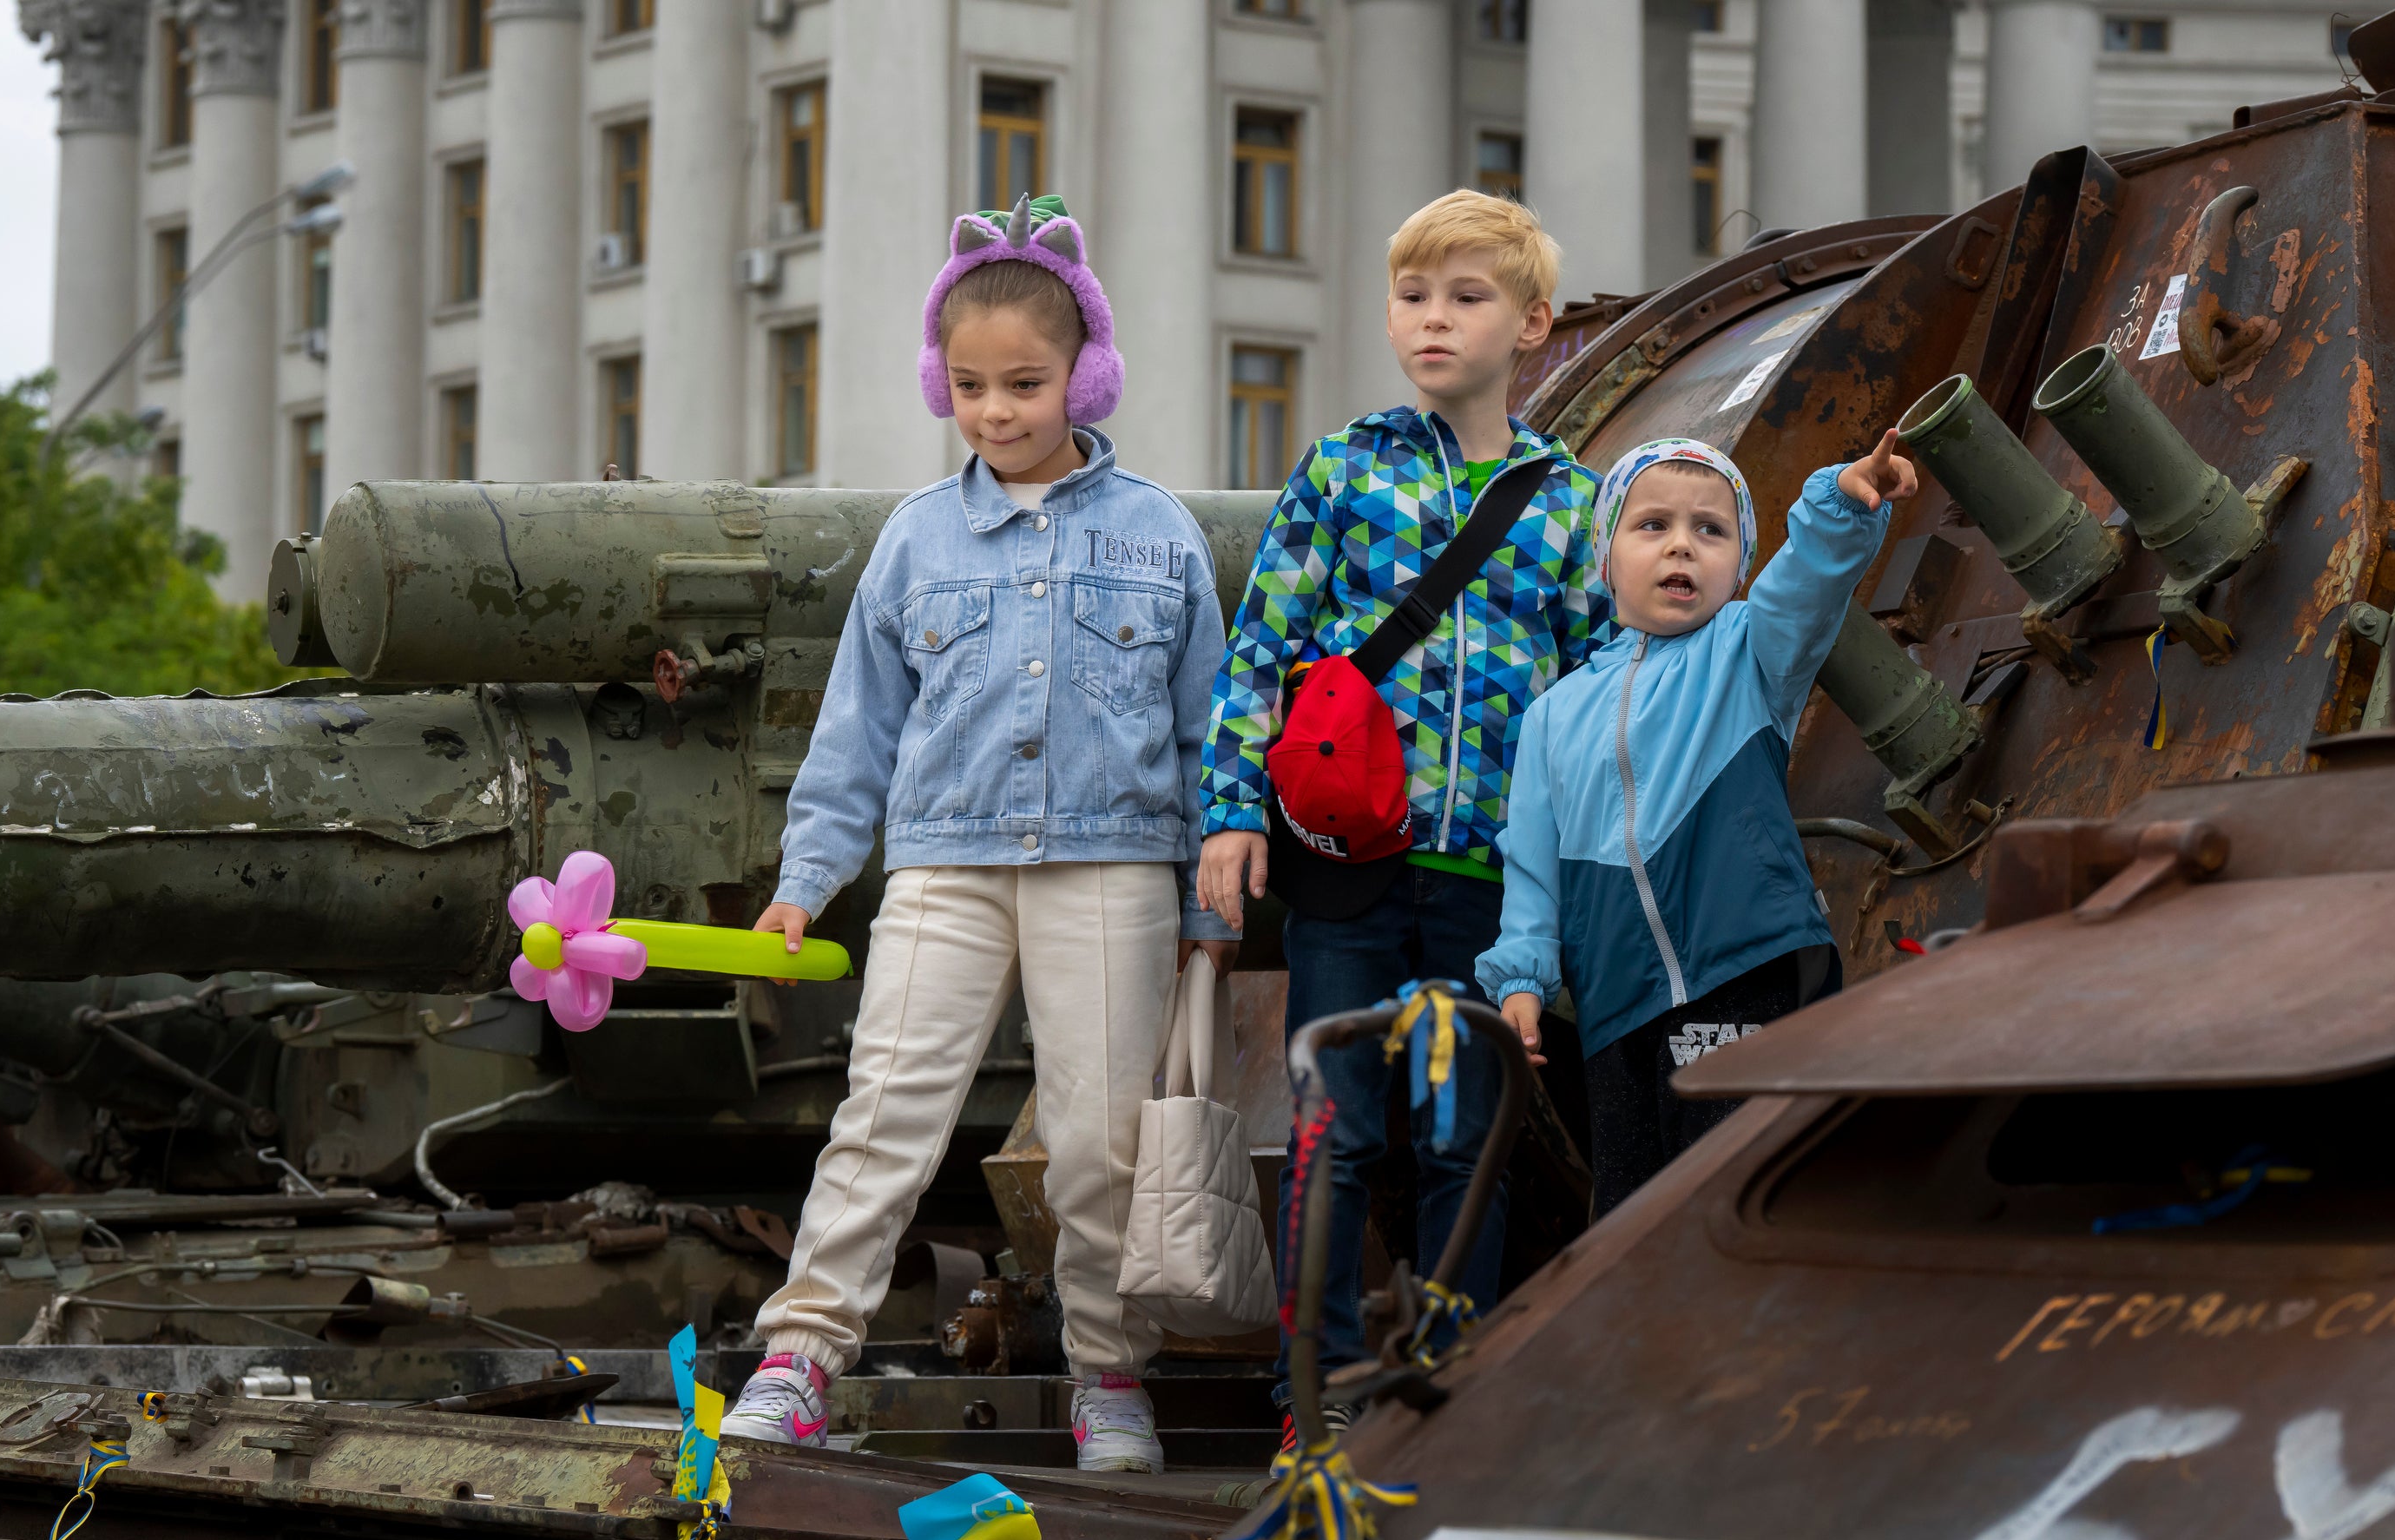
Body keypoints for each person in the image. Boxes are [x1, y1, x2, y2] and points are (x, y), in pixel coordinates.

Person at [720, 196, 1238, 1472]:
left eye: (1026, 383)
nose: (997, 410)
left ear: (1085, 375)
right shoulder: (912, 540)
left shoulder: (1162, 536)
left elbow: (1211, 732)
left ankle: (1108, 1375)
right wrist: (806, 880)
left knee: (1100, 1140)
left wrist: (1206, 907)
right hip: (944, 865)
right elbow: (855, 736)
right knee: (884, 1110)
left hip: (1112, 867)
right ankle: (799, 1355)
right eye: (969, 385)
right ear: (936, 379)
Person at [1194, 190, 1609, 1428]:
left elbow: (1592, 696)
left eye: (1466, 296)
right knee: (1337, 1126)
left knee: (1461, 1138)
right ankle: (1306, 1396)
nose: (1433, 319)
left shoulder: (1570, 502)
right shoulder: (1343, 471)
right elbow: (1260, 655)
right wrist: (1230, 811)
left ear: (1532, 324)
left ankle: (1448, 1399)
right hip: (1344, 863)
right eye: (1413, 295)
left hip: (1490, 874)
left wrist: (1576, 875)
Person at [1477, 430, 1918, 1218]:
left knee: (1738, 1190)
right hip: (1616, 1004)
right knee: (1632, 1208)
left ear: (1739, 565)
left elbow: (1805, 588)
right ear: (1604, 562)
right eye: (1653, 525)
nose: (1682, 546)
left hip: (1745, 971)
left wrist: (1838, 508)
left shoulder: (1751, 654)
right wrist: (1521, 978)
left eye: (1711, 531)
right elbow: (1532, 867)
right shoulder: (1552, 716)